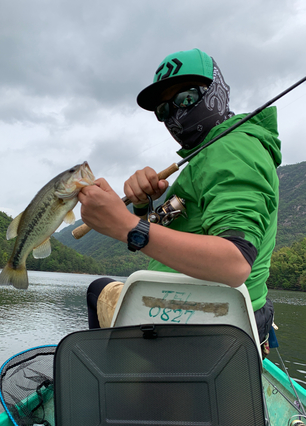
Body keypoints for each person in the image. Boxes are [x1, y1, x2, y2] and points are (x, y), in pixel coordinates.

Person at [78, 48, 281, 356]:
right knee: (100, 290)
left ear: (216, 90)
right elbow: (179, 234)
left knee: (97, 290)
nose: (174, 116)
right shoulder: (207, 156)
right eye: (163, 111)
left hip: (203, 327)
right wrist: (142, 208)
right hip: (193, 313)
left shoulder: (231, 149)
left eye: (186, 99)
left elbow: (235, 262)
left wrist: (126, 226)